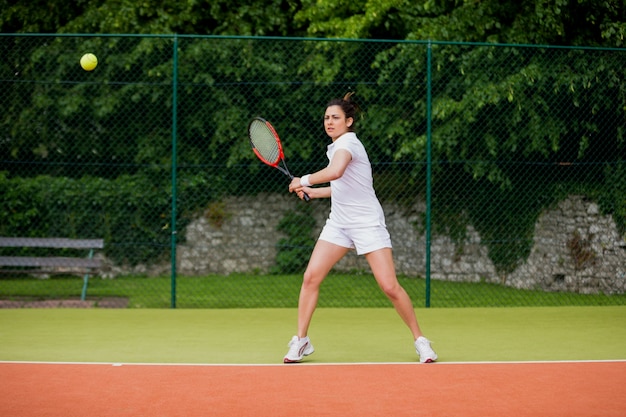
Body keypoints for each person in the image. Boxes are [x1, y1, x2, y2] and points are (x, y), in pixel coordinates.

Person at [284, 92, 437, 364]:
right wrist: (313, 192)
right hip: (339, 225)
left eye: (336, 118)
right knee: (311, 278)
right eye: (326, 118)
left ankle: (420, 340)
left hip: (367, 224)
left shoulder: (348, 145)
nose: (329, 122)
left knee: (389, 286)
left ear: (349, 121)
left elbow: (336, 172)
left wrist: (302, 179)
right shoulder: (335, 147)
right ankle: (301, 340)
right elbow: (342, 187)